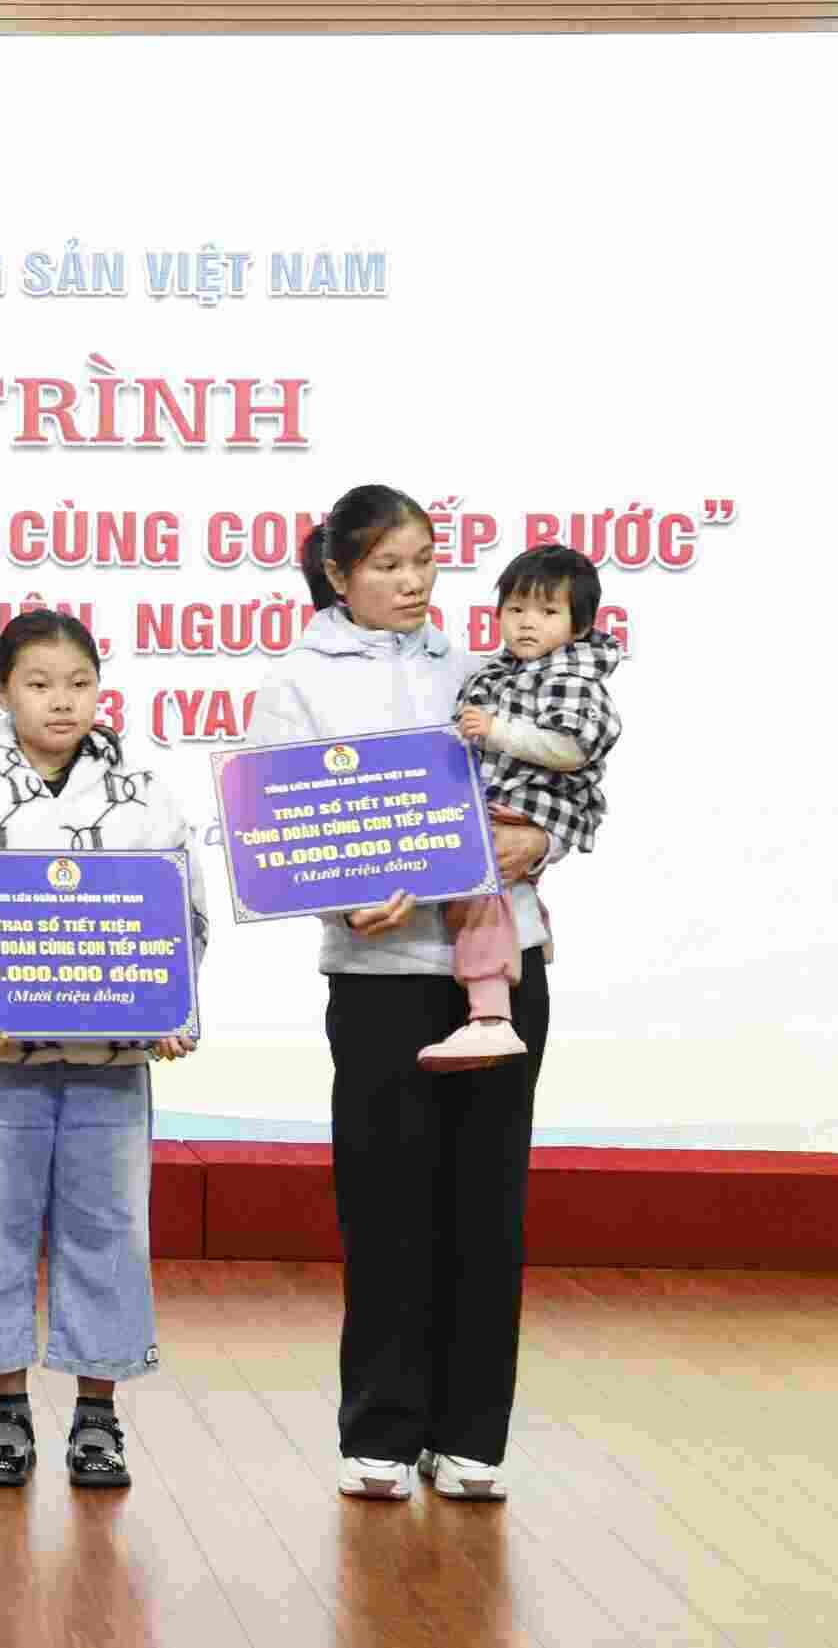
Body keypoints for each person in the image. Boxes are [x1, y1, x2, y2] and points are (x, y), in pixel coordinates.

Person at [246, 484, 557, 1504]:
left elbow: (552, 778)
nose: (412, 580)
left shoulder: (478, 666)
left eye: (424, 558)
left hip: (500, 971)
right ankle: (380, 1427)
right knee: (386, 1204)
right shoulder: (294, 675)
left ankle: (471, 1434)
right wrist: (341, 893)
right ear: (336, 573)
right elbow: (278, 826)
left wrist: (542, 836)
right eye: (386, 564)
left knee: (486, 1205)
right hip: (380, 977)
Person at [0, 609, 206, 1491]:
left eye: (77, 683)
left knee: (107, 1226)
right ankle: (6, 1409)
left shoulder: (145, 791)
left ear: (100, 690)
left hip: (113, 1059)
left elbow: (180, 909)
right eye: (38, 683)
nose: (60, 701)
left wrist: (174, 1009)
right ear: (0, 693)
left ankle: (98, 1414)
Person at [420, 544, 623, 1071]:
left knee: (477, 884)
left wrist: (497, 730)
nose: (527, 623)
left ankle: (490, 1017)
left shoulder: (573, 679)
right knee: (482, 892)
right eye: (515, 610)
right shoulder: (498, 672)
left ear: (578, 626)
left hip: (525, 809)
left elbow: (571, 748)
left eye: (547, 612)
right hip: (492, 803)